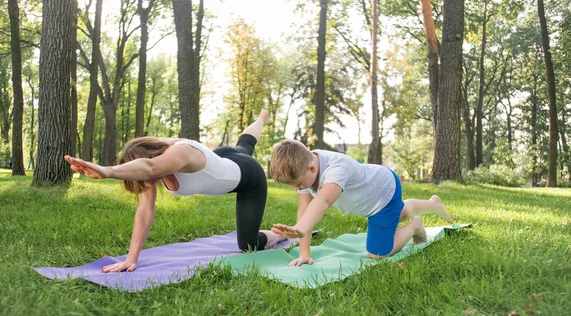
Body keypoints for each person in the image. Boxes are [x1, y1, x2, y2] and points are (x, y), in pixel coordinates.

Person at [64, 109, 285, 272]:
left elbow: (149, 167)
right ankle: (261, 118)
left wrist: (107, 171)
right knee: (244, 145)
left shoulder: (180, 153)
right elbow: (144, 211)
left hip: (248, 178)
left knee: (248, 245)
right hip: (224, 157)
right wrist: (131, 258)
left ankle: (278, 234)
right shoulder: (151, 167)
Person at [268, 139, 453, 267]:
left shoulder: (336, 169)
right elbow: (304, 212)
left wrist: (300, 228)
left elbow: (323, 201)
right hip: (375, 190)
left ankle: (415, 226)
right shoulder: (305, 168)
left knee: (377, 254)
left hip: (383, 192)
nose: (297, 189)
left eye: (298, 184)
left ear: (311, 168)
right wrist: (304, 254)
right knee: (400, 213)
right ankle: (433, 204)